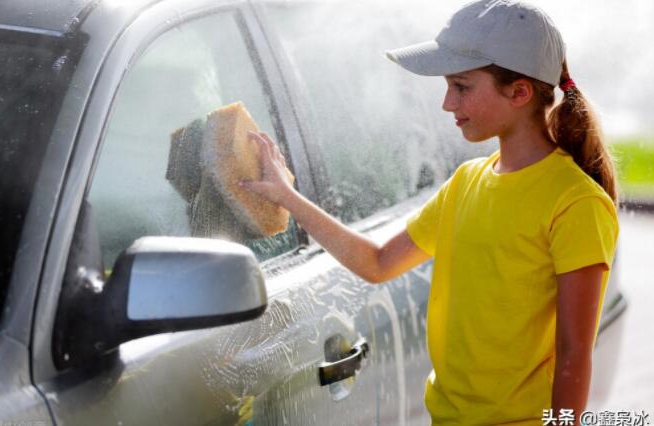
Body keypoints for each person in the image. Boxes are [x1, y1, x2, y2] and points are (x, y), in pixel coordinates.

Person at [238, 0, 619, 424]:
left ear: (519, 92)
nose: (446, 103)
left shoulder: (575, 203)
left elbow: (574, 355)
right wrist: (287, 196)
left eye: (461, 87)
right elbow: (378, 262)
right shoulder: (464, 183)